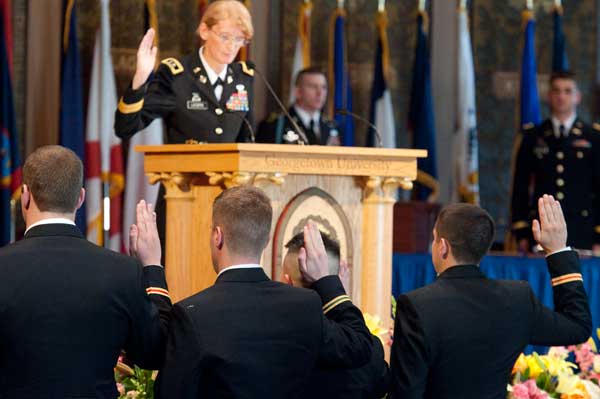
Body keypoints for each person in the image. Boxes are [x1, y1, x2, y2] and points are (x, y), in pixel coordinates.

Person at [154, 186, 373, 398]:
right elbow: (359, 347)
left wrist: (151, 269)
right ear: (267, 241)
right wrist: (327, 282)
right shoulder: (305, 305)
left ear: (217, 236)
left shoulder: (192, 313)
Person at [0, 146, 171, 399]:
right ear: (80, 197)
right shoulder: (121, 271)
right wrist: (152, 268)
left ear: (25, 195)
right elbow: (155, 352)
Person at [390, 196, 591, 399]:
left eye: (434, 239)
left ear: (443, 246)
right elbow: (577, 326)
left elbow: (406, 393)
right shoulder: (517, 299)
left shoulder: (416, 305)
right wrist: (558, 251)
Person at [114, 0, 256, 257]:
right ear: (204, 31)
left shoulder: (244, 78)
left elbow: (248, 139)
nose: (231, 47)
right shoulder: (178, 76)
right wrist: (140, 80)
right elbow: (126, 127)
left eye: (239, 40)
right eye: (225, 36)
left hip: (231, 206)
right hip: (183, 196)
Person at [283, 231, 389, 399]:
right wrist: (337, 296)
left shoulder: (277, 344)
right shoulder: (369, 349)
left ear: (286, 282)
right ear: (339, 281)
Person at [511, 70, 600, 252]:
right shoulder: (533, 136)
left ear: (577, 97)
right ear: (549, 96)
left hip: (582, 233)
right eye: (557, 91)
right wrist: (521, 231)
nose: (561, 96)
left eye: (568, 91)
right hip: (542, 232)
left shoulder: (593, 137)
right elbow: (520, 188)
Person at [256, 67, 340, 145]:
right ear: (298, 91)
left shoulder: (331, 126)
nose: (320, 93)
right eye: (313, 87)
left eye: (323, 87)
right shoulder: (275, 125)